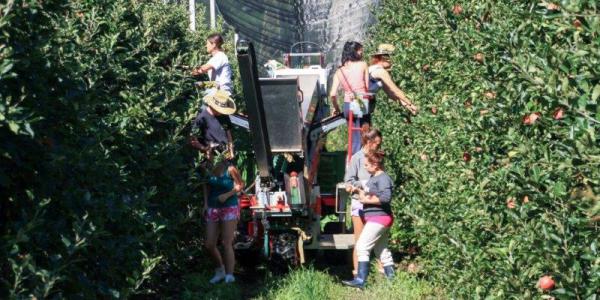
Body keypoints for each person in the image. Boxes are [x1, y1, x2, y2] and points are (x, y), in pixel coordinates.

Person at [343, 151, 395, 289]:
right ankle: (392, 282)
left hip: (379, 218)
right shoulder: (373, 178)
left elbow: (385, 197)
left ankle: (361, 280)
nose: (365, 168)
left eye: (367, 165)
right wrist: (356, 190)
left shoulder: (383, 178)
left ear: (376, 165)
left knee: (362, 246)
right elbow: (368, 194)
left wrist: (366, 199)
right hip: (379, 218)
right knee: (381, 250)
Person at [343, 127, 382, 278]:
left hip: (375, 201)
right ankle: (358, 276)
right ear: (368, 142)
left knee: (377, 239)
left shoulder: (378, 157)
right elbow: (349, 180)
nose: (377, 147)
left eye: (379, 144)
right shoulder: (357, 158)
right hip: (360, 202)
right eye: (375, 144)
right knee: (359, 240)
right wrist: (363, 184)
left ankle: (381, 275)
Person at [203, 157, 244, 284]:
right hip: (213, 207)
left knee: (226, 242)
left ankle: (230, 275)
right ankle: (220, 271)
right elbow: (206, 185)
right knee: (209, 244)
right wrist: (205, 204)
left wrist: (227, 195)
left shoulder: (230, 169)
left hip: (229, 207)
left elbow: (240, 185)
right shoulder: (208, 168)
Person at [329, 41, 370, 156]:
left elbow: (332, 94)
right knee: (364, 134)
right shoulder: (363, 65)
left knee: (353, 136)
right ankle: (361, 160)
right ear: (354, 52)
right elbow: (367, 87)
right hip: (360, 101)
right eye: (360, 50)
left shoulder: (339, 70)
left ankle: (351, 160)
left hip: (348, 105)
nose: (362, 53)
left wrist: (336, 108)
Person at [368, 43, 418, 115]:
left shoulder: (373, 68)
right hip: (361, 105)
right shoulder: (381, 71)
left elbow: (391, 93)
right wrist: (411, 104)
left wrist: (407, 106)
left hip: (360, 104)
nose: (392, 61)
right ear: (383, 58)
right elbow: (396, 91)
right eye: (391, 58)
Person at [190, 90, 236, 161]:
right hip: (212, 153)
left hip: (225, 151)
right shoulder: (202, 117)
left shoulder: (224, 116)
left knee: (233, 171)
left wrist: (231, 149)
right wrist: (205, 148)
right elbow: (193, 139)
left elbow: (228, 133)